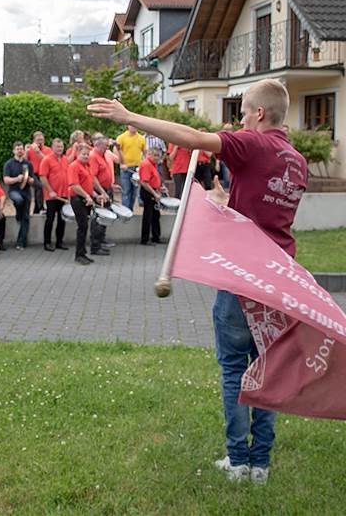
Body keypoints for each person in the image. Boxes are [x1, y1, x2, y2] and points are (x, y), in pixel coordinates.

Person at [89, 78, 308, 484]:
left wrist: (128, 117)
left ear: (259, 114)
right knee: (268, 369)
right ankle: (260, 464)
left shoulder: (253, 143)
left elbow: (191, 138)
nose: (240, 120)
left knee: (233, 367)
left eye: (243, 112)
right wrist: (225, 204)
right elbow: (266, 208)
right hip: (279, 279)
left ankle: (237, 462)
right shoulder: (296, 159)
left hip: (242, 278)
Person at [67, 145, 99, 265]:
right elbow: (74, 185)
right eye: (83, 154)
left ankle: (83, 253)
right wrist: (86, 196)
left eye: (87, 154)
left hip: (86, 198)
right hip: (78, 199)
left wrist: (95, 195)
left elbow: (89, 183)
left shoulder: (87, 166)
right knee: (82, 226)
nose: (86, 156)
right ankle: (79, 255)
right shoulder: (74, 166)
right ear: (77, 154)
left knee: (85, 226)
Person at [3, 141, 35, 250]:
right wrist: (17, 179)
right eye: (17, 149)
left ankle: (21, 242)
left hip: (26, 192)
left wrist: (31, 180)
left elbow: (33, 178)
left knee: (25, 218)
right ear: (13, 151)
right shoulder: (9, 164)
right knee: (19, 201)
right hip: (14, 191)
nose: (20, 151)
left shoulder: (28, 164)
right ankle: (18, 214)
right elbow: (6, 180)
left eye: (21, 149)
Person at [89, 133, 117, 255]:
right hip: (100, 193)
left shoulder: (102, 155)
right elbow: (93, 177)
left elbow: (104, 173)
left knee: (104, 217)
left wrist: (111, 185)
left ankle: (100, 241)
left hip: (106, 190)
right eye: (105, 146)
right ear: (98, 145)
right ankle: (95, 245)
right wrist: (102, 192)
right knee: (98, 218)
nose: (107, 148)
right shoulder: (94, 156)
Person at [40, 138, 69, 252]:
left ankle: (59, 242)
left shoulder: (65, 159)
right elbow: (42, 177)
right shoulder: (46, 160)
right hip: (51, 196)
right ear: (52, 147)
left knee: (62, 219)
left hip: (63, 195)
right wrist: (50, 190)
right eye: (57, 147)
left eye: (61, 147)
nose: (59, 149)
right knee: (50, 219)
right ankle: (47, 243)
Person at [138, 147, 164, 245]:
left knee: (155, 215)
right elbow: (144, 183)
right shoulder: (146, 164)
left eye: (158, 156)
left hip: (153, 191)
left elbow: (152, 180)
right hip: (148, 192)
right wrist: (155, 193)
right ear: (150, 154)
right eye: (155, 155)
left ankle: (156, 237)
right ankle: (145, 239)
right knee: (148, 216)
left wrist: (159, 189)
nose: (157, 158)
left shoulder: (153, 164)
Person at [116, 124, 145, 209]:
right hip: (126, 167)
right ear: (127, 126)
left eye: (135, 125)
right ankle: (126, 210)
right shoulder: (121, 137)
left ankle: (130, 210)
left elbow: (145, 152)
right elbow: (116, 150)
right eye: (131, 125)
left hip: (137, 168)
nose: (133, 127)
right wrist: (121, 164)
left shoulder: (141, 138)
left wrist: (143, 164)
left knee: (134, 192)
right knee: (126, 190)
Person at [26, 131, 51, 214]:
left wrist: (38, 152)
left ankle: (41, 208)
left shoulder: (48, 149)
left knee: (44, 189)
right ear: (34, 140)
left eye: (41, 139)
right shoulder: (30, 149)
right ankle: (39, 208)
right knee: (39, 187)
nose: (40, 141)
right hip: (34, 173)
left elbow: (48, 161)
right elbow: (25, 161)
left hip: (45, 173)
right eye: (38, 140)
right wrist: (26, 151)